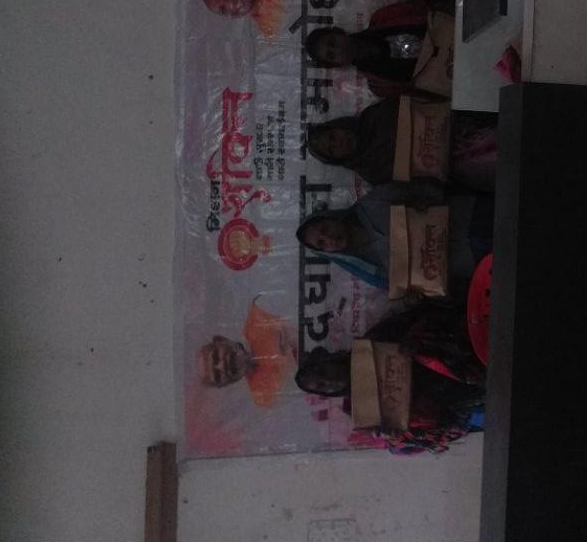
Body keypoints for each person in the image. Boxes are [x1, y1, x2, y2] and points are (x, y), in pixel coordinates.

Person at [296, 182, 493, 290]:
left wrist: (425, 201)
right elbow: (412, 287)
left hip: (470, 214)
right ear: (327, 252)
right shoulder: (371, 270)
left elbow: (422, 187)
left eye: (324, 229)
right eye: (322, 243)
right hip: (467, 260)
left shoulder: (373, 203)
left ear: (331, 218)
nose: (329, 238)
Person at [308, 98, 497, 192]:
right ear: (337, 159)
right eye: (332, 149)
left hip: (465, 126)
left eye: (332, 136)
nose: (338, 143)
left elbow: (424, 101)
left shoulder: (375, 114)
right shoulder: (371, 172)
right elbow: (419, 188)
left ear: (337, 126)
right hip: (461, 167)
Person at [305, 0, 429, 98]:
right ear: (337, 64)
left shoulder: (383, 18)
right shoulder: (379, 86)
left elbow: (425, 8)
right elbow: (421, 96)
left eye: (332, 42)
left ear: (339, 31)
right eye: (331, 56)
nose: (338, 50)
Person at [196, 299, 297, 408]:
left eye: (216, 357)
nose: (221, 366)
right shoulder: (263, 396)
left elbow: (296, 314)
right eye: (217, 375)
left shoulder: (258, 317)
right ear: (224, 384)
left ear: (222, 339)